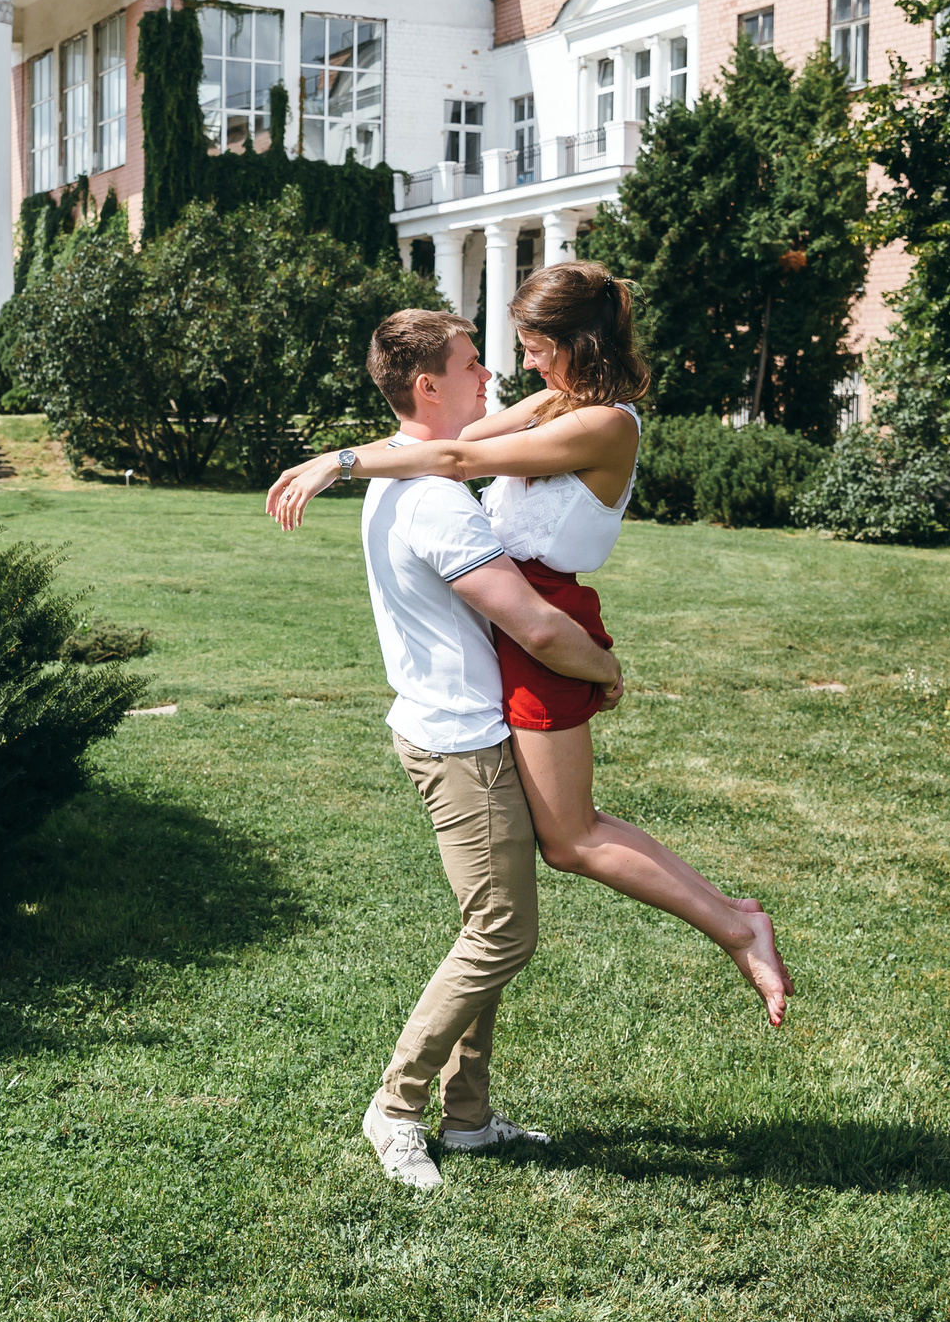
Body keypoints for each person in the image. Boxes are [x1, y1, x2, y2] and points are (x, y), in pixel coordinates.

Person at [269, 264, 792, 1029]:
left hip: (544, 618)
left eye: (537, 347)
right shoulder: (562, 400)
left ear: (578, 341)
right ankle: (735, 913)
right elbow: (450, 438)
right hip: (522, 611)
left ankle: (738, 927)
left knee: (572, 837)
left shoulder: (603, 423)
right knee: (576, 825)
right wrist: (362, 451)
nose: (526, 366)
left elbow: (455, 459)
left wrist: (338, 461)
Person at [339, 308, 627, 1191]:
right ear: (429, 387)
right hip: (462, 742)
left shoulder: (406, 475)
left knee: (486, 923)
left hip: (446, 725)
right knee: (502, 931)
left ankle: (466, 1118)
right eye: (472, 365)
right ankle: (397, 1106)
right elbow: (537, 624)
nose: (490, 377)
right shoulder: (436, 500)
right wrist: (606, 667)